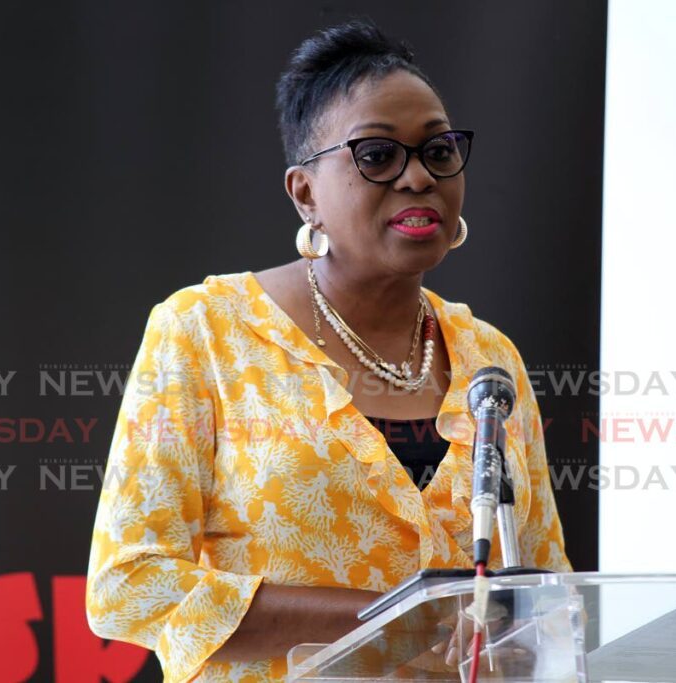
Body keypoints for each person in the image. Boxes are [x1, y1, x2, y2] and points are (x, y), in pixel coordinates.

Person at [85, 18, 573, 683]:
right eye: (377, 155)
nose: (418, 177)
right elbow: (131, 585)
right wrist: (400, 617)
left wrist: (528, 640)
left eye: (438, 151)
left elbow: (550, 593)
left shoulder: (491, 358)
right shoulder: (206, 330)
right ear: (305, 193)